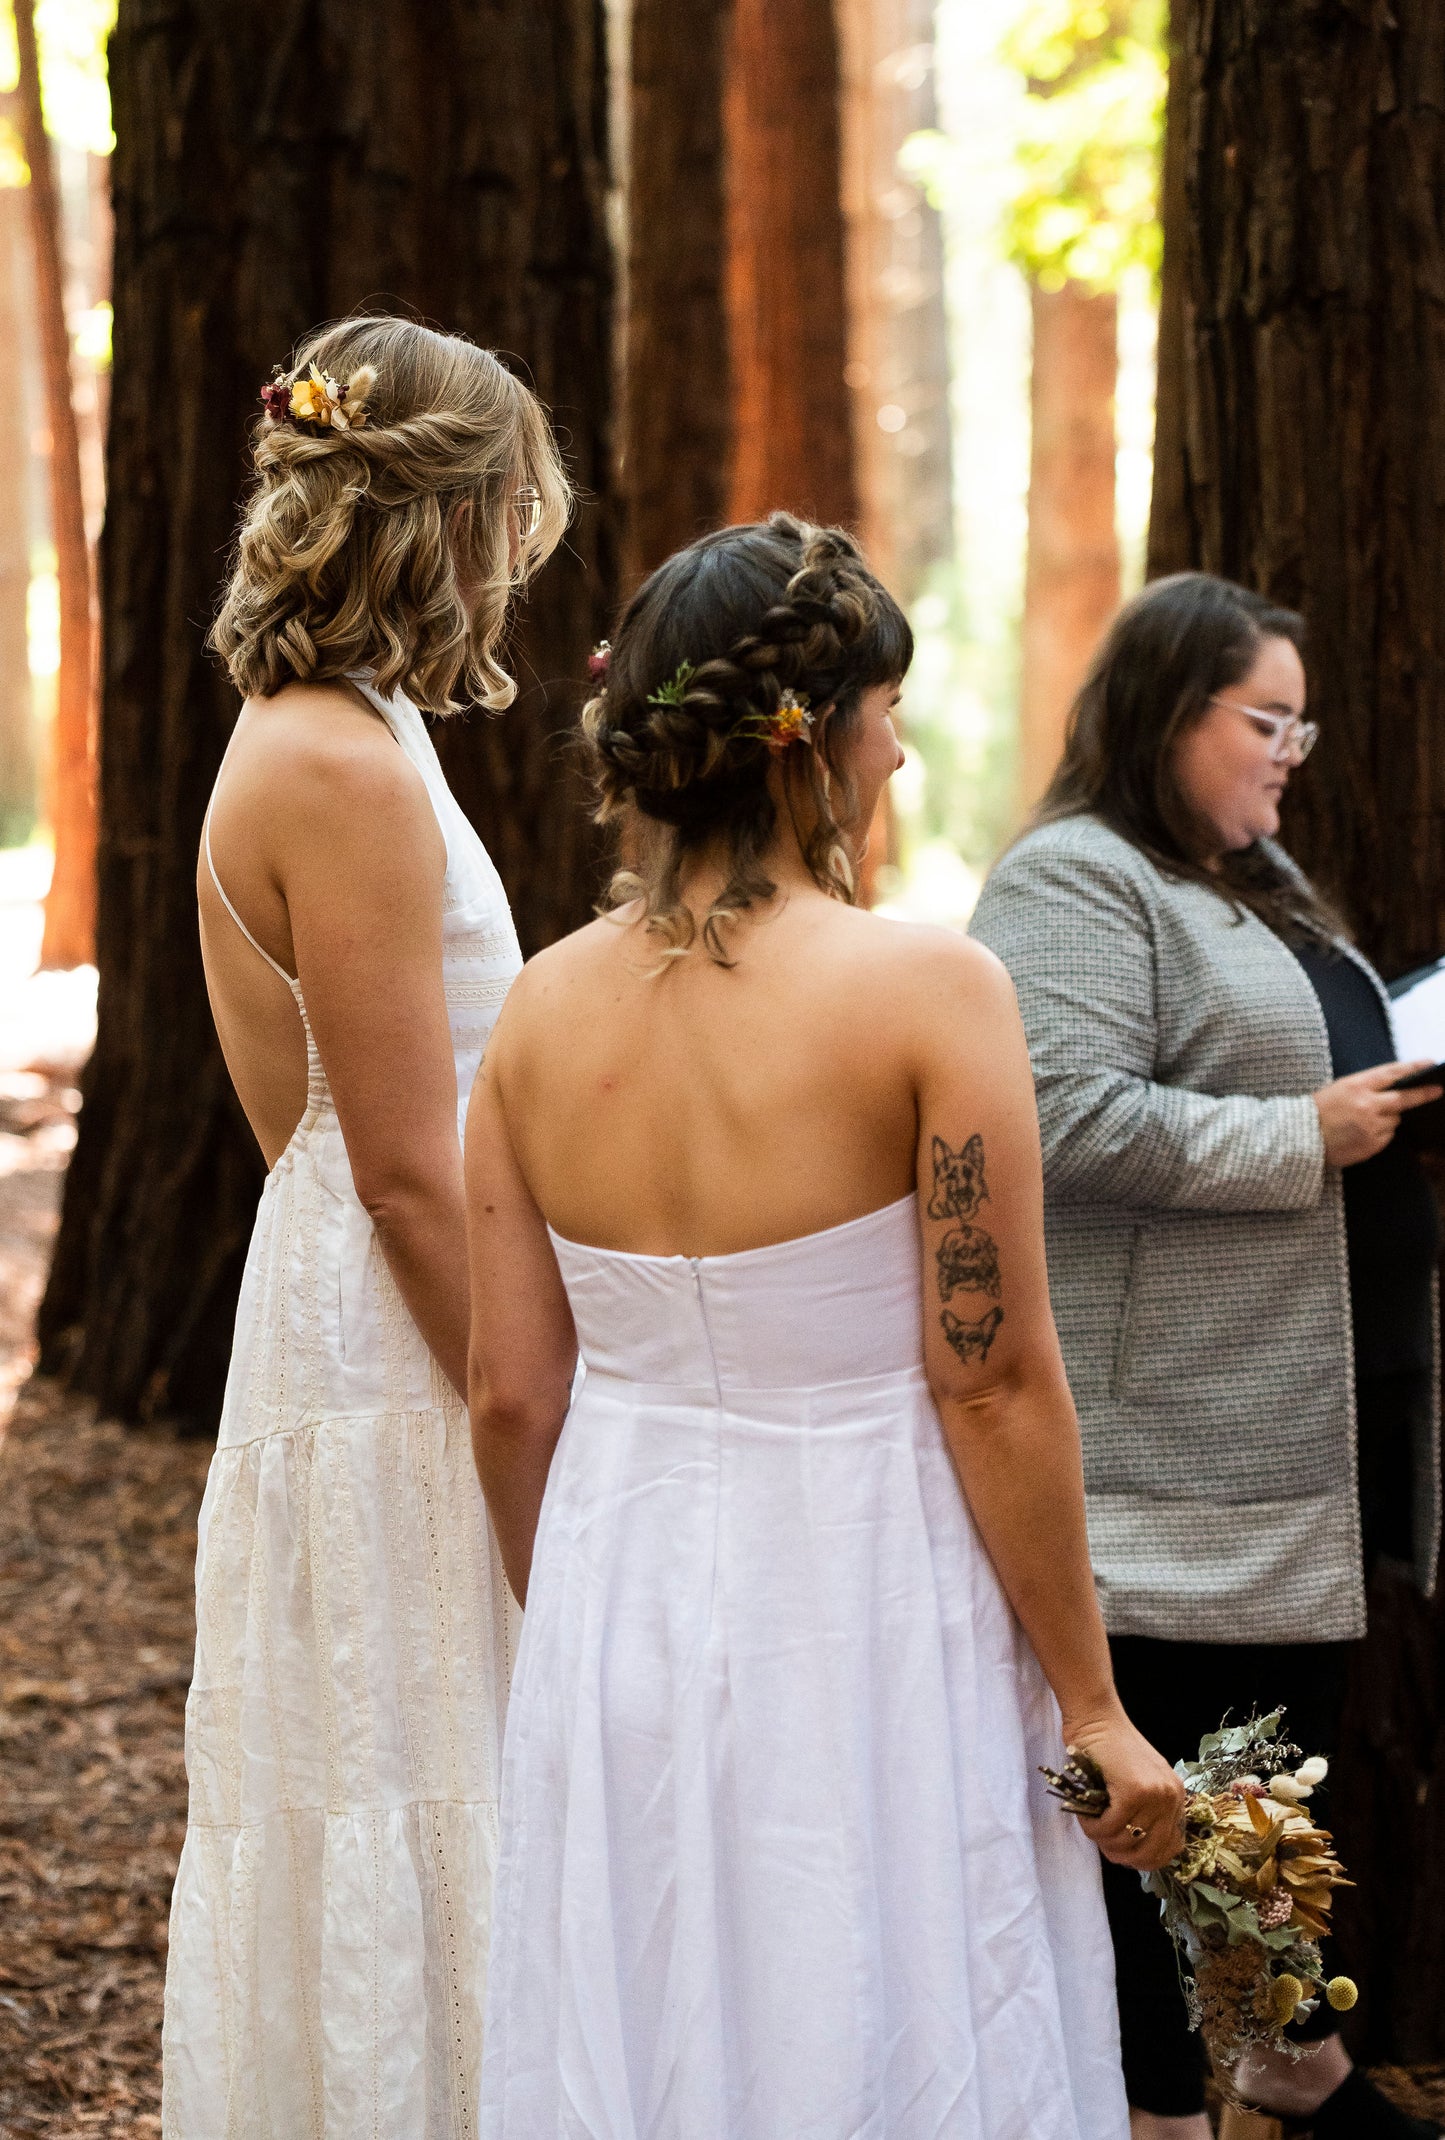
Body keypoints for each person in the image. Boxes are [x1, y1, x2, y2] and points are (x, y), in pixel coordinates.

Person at [464, 513, 1184, 2140]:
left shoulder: (533, 1011)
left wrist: (575, 1618)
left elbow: (509, 1393)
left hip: (619, 1585)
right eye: (886, 712)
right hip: (872, 1591)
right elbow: (989, 1381)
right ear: (810, 739)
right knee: (889, 1992)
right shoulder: (929, 992)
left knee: (658, 2009)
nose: (899, 753)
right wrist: (1089, 1703)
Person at [969, 572, 1443, 2140]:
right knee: (1148, 1812)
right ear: (1168, 711)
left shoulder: (1249, 879)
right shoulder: (1074, 877)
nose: (1291, 753)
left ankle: (1278, 2056)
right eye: (1265, 721)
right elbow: (1054, 1115)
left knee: (1261, 1779)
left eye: (1301, 726)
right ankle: (1182, 2106)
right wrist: (1300, 1136)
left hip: (1291, 1435)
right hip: (1158, 1458)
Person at [162, 315, 569, 2138]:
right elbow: (395, 1167)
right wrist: (522, 1403)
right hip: (400, 1342)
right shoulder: (334, 764)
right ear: (443, 519)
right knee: (420, 1771)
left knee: (442, 1766)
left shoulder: (355, 730)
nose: (519, 556)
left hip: (362, 1292)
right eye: (509, 514)